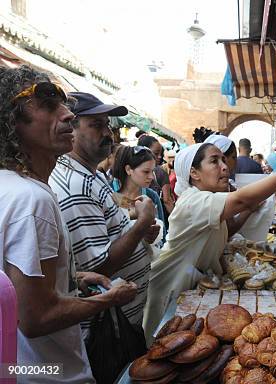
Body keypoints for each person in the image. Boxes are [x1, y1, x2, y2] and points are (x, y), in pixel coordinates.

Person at [0, 66, 137, 383]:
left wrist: (70, 277)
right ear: (12, 122)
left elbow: (14, 284)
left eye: (65, 106)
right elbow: (35, 318)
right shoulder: (32, 199)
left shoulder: (11, 187)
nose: (66, 116)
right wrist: (110, 299)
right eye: (49, 106)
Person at [143, 144, 276, 337]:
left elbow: (230, 227)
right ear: (194, 173)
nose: (224, 166)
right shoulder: (193, 202)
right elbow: (242, 201)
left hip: (191, 286)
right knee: (165, 346)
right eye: (214, 161)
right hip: (171, 287)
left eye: (224, 160)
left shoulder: (209, 199)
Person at [49, 92, 159, 340]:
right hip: (109, 328)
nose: (108, 133)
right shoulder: (76, 186)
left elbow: (109, 218)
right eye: (96, 125)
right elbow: (98, 267)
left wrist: (134, 227)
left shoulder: (93, 174)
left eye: (107, 124)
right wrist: (141, 225)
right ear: (71, 129)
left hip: (124, 317)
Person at [111, 145, 165, 227]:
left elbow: (162, 231)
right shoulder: (109, 193)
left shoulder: (152, 196)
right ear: (128, 169)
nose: (152, 177)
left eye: (152, 171)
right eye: (146, 172)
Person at [137, 135, 175, 216]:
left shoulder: (134, 173)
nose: (160, 156)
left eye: (160, 153)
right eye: (156, 153)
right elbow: (167, 200)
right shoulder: (161, 172)